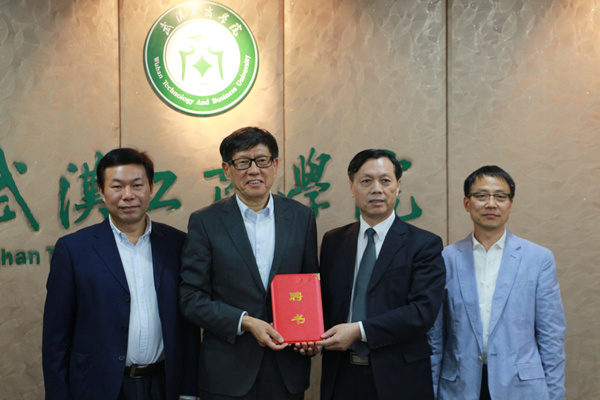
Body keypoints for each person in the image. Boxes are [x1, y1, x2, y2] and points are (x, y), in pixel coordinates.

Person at [42, 148, 199, 400]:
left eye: (137, 185)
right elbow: (55, 339)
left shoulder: (178, 244)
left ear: (151, 188)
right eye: (117, 187)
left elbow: (188, 327)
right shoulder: (73, 250)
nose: (128, 195)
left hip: (163, 385)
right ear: (101, 192)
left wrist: (189, 392)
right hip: (98, 388)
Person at [179, 126, 319, 400]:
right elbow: (191, 298)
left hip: (286, 369)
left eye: (262, 161)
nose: (254, 170)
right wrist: (245, 322)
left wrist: (310, 334)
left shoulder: (301, 218)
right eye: (243, 162)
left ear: (275, 165)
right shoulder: (205, 222)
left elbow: (309, 284)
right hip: (227, 373)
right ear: (227, 169)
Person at [317, 149, 446, 400]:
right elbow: (324, 303)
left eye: (385, 180)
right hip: (341, 374)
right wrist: (306, 335)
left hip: (399, 377)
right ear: (352, 187)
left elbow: (422, 312)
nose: (376, 189)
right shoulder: (334, 241)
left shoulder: (424, 244)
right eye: (366, 181)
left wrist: (359, 330)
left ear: (398, 185)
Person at [429, 165, 566, 400]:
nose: (491, 204)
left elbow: (551, 336)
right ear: (467, 203)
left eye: (500, 197)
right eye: (482, 196)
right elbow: (435, 337)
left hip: (521, 388)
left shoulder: (538, 259)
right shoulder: (445, 259)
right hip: (459, 388)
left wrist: (555, 395)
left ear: (510, 204)